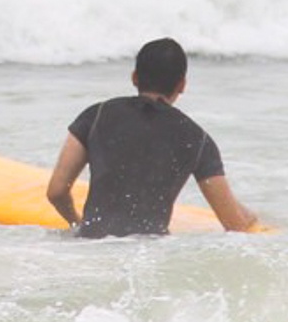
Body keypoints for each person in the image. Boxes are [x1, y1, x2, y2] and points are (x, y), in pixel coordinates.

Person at [45, 37, 258, 238]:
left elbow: (56, 192)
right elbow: (234, 226)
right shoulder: (197, 138)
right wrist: (251, 217)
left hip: (90, 247)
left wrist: (77, 224)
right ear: (182, 85)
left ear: (134, 77)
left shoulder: (97, 115)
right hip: (149, 254)